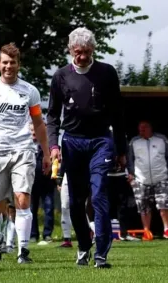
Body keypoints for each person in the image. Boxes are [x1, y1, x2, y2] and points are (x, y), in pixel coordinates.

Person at [46, 27, 126, 269]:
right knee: (75, 201)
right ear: (71, 50)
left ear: (93, 50)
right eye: (78, 52)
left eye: (87, 52)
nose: (82, 57)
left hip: (101, 141)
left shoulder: (107, 73)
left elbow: (117, 114)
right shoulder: (61, 76)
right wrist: (53, 145)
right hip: (72, 142)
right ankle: (83, 246)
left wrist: (121, 150)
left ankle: (101, 254)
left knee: (99, 194)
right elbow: (52, 115)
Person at [0, 43, 50, 264]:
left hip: (23, 151)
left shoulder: (30, 91)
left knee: (22, 199)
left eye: (12, 62)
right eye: (4, 62)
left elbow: (38, 123)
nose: (8, 66)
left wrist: (46, 153)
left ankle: (23, 251)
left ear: (18, 65)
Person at [127, 120, 168, 240]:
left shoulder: (161, 139)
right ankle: (146, 230)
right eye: (139, 128)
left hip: (162, 177)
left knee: (164, 205)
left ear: (150, 128)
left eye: (144, 128)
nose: (141, 131)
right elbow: (129, 160)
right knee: (143, 207)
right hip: (141, 179)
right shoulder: (134, 142)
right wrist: (131, 175)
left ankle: (167, 230)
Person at [29, 122, 56, 245]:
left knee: (49, 208)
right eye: (31, 130)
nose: (34, 133)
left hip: (47, 183)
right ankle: (33, 234)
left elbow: (56, 162)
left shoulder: (49, 145)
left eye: (36, 130)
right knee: (31, 210)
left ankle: (47, 234)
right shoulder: (25, 145)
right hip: (31, 183)